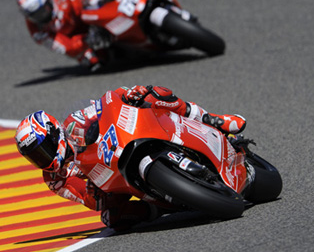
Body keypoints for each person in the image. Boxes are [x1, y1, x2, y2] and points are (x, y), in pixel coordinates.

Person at [15, 85, 246, 230]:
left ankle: (212, 119)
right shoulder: (55, 179)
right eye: (34, 156)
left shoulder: (74, 123)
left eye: (43, 148)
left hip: (123, 144)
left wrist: (126, 95)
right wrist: (94, 195)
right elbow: (86, 198)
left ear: (55, 132)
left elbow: (104, 105)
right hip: (112, 185)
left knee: (151, 94)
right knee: (110, 219)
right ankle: (161, 209)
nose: (41, 158)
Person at [15, 0, 117, 71]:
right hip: (81, 35)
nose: (42, 16)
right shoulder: (38, 32)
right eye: (35, 16)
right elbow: (67, 47)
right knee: (94, 60)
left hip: (87, 9)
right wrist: (87, 40)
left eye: (43, 10)